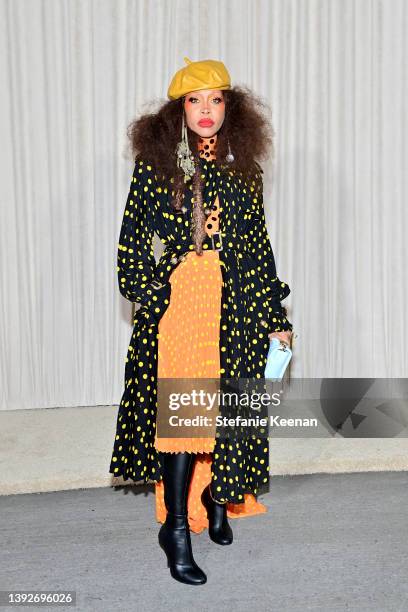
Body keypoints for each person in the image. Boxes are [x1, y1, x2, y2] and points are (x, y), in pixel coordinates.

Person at [110, 57, 293, 585]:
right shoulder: (155, 165)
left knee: (231, 410)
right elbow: (130, 245)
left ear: (231, 110)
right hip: (183, 306)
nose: (206, 110)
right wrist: (156, 297)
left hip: (235, 302)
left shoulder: (244, 170)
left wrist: (275, 313)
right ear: (178, 110)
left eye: (216, 100)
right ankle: (176, 531)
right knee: (187, 420)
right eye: (195, 100)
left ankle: (216, 498)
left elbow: (258, 249)